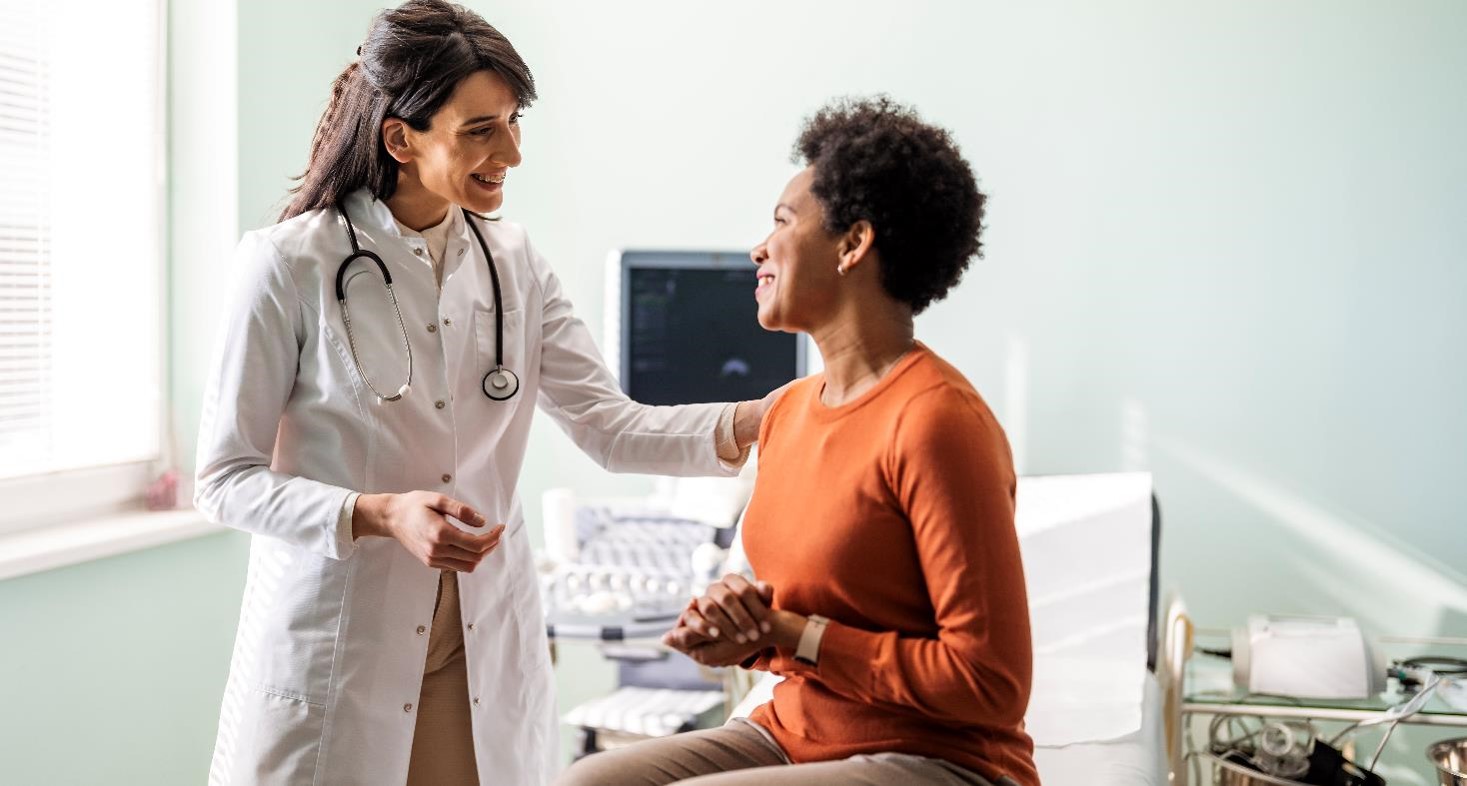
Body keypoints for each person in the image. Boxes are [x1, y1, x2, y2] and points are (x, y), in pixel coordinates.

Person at [193, 2, 778, 784]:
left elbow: (610, 427)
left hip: (478, 645)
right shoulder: (288, 265)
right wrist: (376, 513)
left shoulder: (513, 262)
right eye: (479, 130)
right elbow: (223, 481)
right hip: (344, 642)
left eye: (512, 121)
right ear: (401, 138)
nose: (511, 152)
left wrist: (775, 419)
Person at [555, 96, 1038, 786]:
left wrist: (787, 636)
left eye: (781, 222)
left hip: (934, 756)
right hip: (796, 731)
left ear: (852, 244)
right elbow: (796, 610)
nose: (758, 247)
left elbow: (989, 681)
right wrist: (737, 625)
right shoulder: (786, 412)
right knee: (583, 782)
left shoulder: (937, 422)